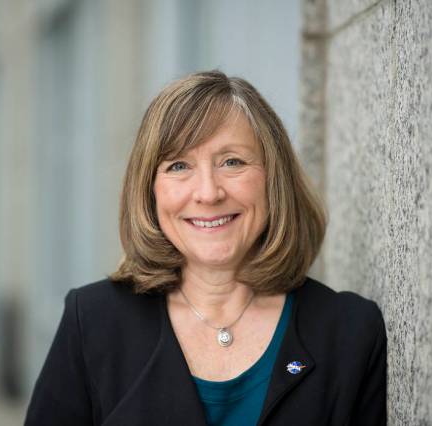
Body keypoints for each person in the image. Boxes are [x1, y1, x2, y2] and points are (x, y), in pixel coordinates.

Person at [25, 71, 387, 425]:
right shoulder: (93, 322)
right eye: (179, 166)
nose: (208, 193)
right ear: (150, 191)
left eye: (232, 162)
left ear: (273, 179)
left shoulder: (350, 333)